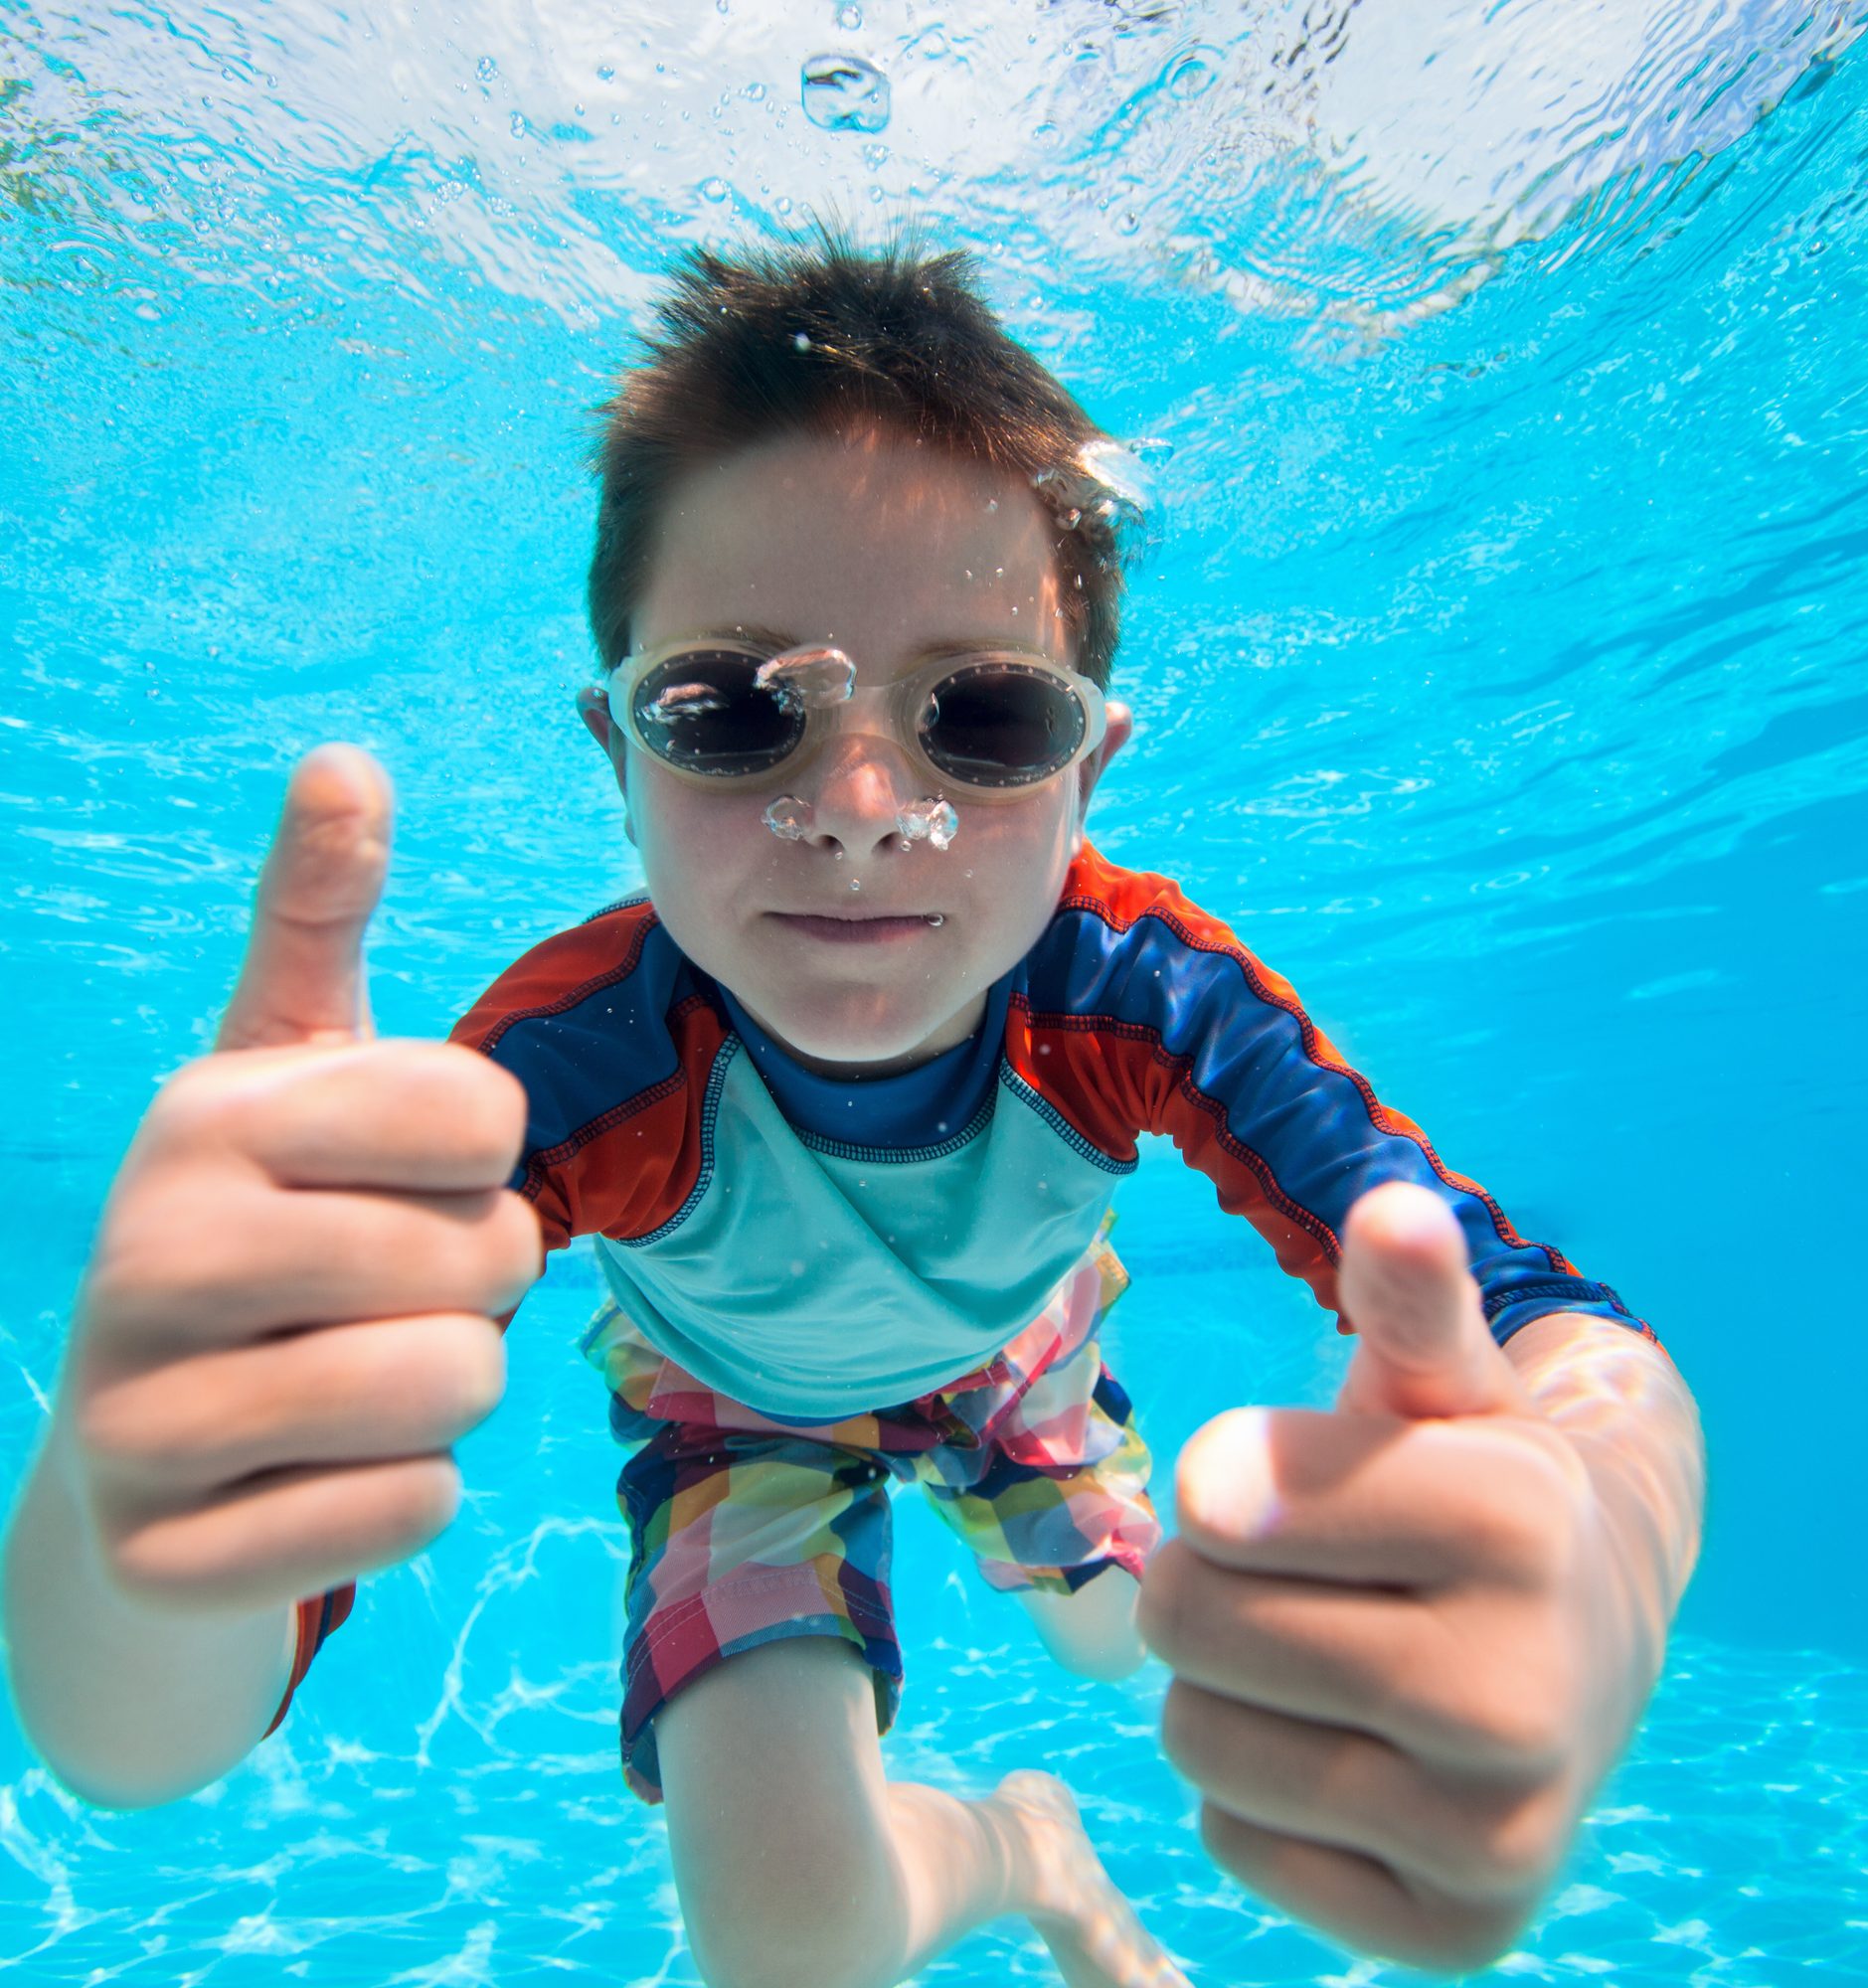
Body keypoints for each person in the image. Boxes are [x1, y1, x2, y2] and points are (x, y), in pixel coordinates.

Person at [2, 237, 1703, 1983]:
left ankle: (1053, 1695)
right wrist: (136, 1526)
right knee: (790, 1951)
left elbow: (1534, 1316)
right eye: (734, 713)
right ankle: (1026, 1848)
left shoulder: (1138, 993)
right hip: (730, 1407)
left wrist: (1614, 1524)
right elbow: (139, 1751)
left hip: (1015, 1359)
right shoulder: (567, 1068)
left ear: (1088, 765)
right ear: (618, 753)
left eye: (984, 715)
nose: (867, 808)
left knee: (1140, 1639)